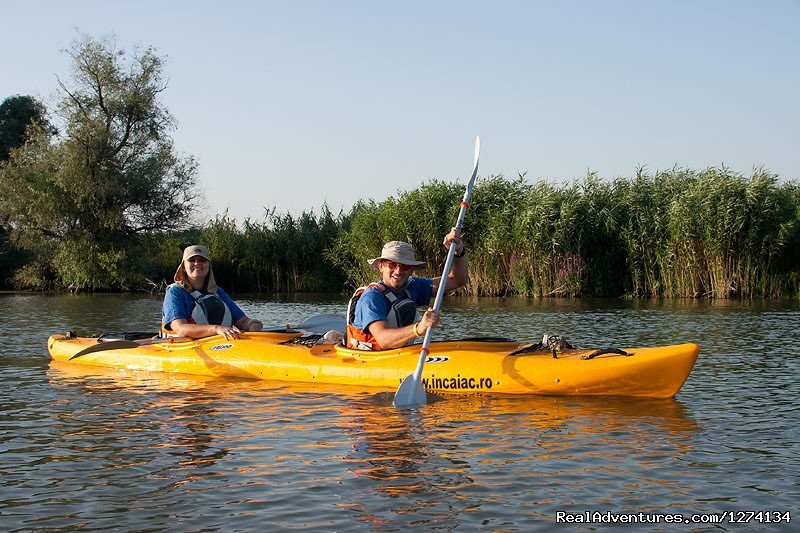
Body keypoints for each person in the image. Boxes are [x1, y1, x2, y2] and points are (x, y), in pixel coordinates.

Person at [346, 228, 467, 350]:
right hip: (370, 359)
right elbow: (383, 340)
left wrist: (458, 251)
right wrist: (419, 328)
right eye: (392, 265)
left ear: (411, 270)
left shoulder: (413, 286)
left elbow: (457, 280)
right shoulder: (372, 297)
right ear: (381, 266)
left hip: (398, 355)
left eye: (404, 266)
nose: (398, 271)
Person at [162, 245, 263, 339]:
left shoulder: (217, 291)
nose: (197, 263)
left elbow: (242, 321)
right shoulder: (175, 292)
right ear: (184, 267)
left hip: (217, 345)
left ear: (208, 265)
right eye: (192, 260)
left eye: (202, 260)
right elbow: (180, 328)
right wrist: (216, 329)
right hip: (183, 348)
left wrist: (253, 324)